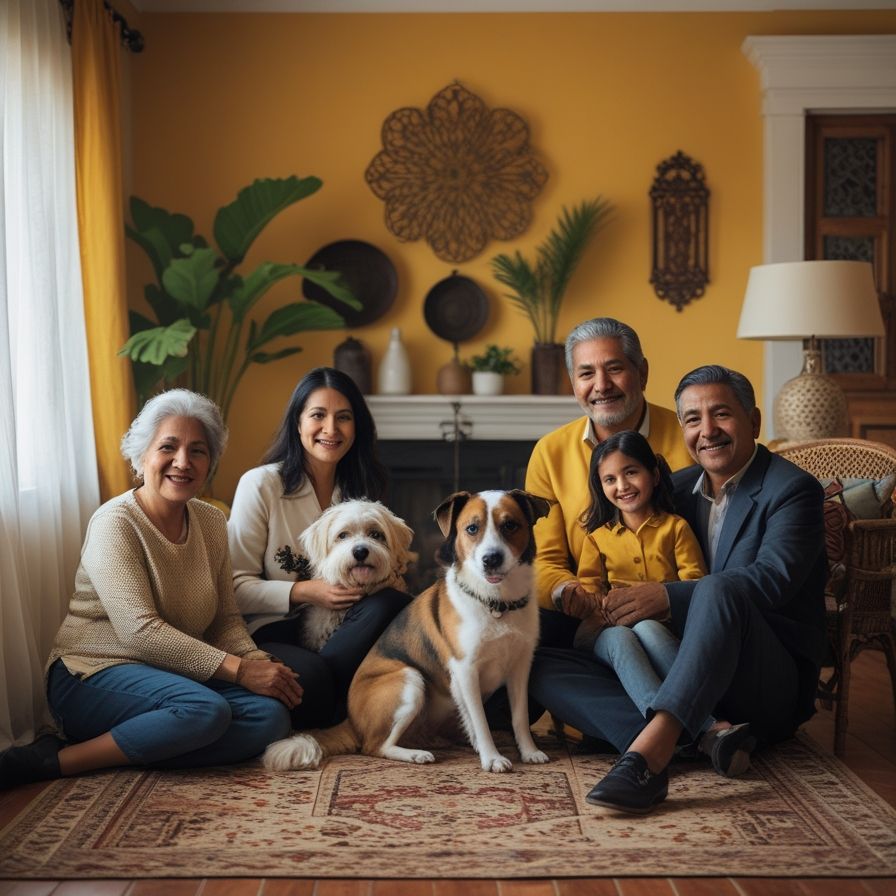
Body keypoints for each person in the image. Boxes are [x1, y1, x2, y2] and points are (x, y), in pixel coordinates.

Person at [528, 365, 828, 814]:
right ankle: (705, 736)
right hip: (679, 664)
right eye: (692, 419)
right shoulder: (676, 488)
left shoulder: (792, 490)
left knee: (718, 588)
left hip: (761, 677)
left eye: (721, 414)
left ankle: (649, 754)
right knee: (541, 662)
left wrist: (667, 596)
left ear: (753, 421)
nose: (707, 431)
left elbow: (772, 579)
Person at [0, 390, 302, 790]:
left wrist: (261, 665)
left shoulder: (212, 522)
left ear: (210, 463)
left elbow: (225, 621)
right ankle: (54, 760)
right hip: (92, 674)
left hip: (172, 676)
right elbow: (139, 632)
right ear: (141, 457)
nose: (183, 461)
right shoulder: (116, 523)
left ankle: (140, 743)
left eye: (197, 451)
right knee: (205, 711)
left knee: (271, 717)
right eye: (168, 447)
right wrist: (242, 671)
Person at [228, 367, 411, 730]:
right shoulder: (261, 485)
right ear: (297, 423)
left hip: (347, 625)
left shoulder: (361, 489)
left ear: (356, 427)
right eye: (318, 415)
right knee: (311, 679)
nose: (331, 429)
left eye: (343, 417)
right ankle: (345, 704)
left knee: (394, 603)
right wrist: (305, 591)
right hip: (272, 629)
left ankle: (336, 704)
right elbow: (233, 588)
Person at [525, 317, 693, 646]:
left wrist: (671, 597)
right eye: (586, 373)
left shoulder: (690, 437)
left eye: (614, 368)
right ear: (573, 382)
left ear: (642, 373)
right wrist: (569, 592)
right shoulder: (549, 452)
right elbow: (544, 559)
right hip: (589, 613)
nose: (601, 385)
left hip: (680, 610)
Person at [572, 430, 707, 720]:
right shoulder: (596, 539)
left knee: (648, 628)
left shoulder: (675, 528)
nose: (622, 486)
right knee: (620, 637)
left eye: (631, 472)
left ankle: (674, 727)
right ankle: (688, 724)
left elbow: (695, 584)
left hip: (664, 628)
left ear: (654, 475)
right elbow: (590, 591)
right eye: (610, 479)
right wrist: (597, 605)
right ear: (600, 487)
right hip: (608, 631)